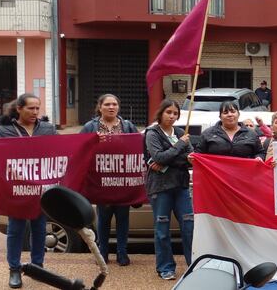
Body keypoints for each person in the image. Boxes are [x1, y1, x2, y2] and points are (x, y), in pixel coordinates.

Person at [0, 93, 57, 288]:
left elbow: (64, 149)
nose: (35, 112)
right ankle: (14, 269)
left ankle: (37, 267)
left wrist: (92, 142)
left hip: (41, 190)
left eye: (38, 108)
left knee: (39, 229)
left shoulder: (47, 128)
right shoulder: (4, 130)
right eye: (30, 108)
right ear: (18, 109)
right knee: (16, 230)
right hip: (17, 189)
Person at [80, 94, 138, 266]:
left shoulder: (127, 126)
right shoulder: (90, 126)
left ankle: (122, 252)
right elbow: (79, 148)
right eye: (107, 104)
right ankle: (102, 253)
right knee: (103, 220)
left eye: (114, 104)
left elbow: (138, 148)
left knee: (123, 219)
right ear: (100, 107)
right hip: (101, 180)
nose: (111, 107)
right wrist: (93, 142)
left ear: (118, 107)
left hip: (122, 179)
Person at [144, 100, 194, 280]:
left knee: (189, 226)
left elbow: (190, 158)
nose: (172, 116)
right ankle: (165, 267)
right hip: (160, 187)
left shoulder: (181, 132)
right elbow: (158, 156)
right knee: (162, 229)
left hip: (181, 186)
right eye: (169, 112)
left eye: (175, 113)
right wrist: (179, 146)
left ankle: (193, 265)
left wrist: (168, 160)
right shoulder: (152, 133)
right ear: (161, 113)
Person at [195, 101, 265, 159]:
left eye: (233, 111)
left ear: (238, 114)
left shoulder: (251, 134)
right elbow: (198, 154)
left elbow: (260, 152)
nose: (230, 115)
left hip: (244, 174)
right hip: (216, 175)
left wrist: (259, 157)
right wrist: (192, 158)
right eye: (225, 113)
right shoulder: (208, 133)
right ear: (220, 117)